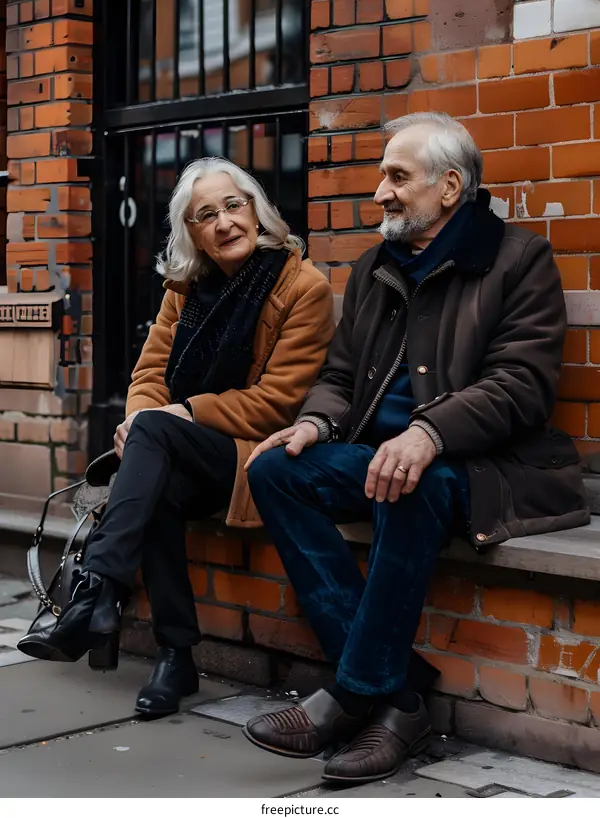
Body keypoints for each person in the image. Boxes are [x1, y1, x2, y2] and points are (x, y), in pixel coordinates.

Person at [241, 112, 590, 784]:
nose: (379, 192)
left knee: (407, 477)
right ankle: (398, 697)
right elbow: (341, 377)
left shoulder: (519, 260)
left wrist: (429, 433)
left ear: (450, 187)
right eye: (380, 177)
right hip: (385, 454)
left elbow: (521, 386)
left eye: (396, 177)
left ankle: (352, 694)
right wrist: (315, 424)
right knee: (277, 471)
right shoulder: (376, 266)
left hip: (491, 468)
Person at [18, 157, 335, 717]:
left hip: (248, 456)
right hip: (177, 449)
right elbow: (147, 377)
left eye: (234, 206)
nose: (224, 223)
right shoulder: (184, 288)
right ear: (191, 232)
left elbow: (277, 404)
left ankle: (94, 595)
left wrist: (179, 413)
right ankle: (175, 654)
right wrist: (143, 418)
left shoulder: (302, 288)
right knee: (156, 479)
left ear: (258, 211)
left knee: (157, 435)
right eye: (204, 215)